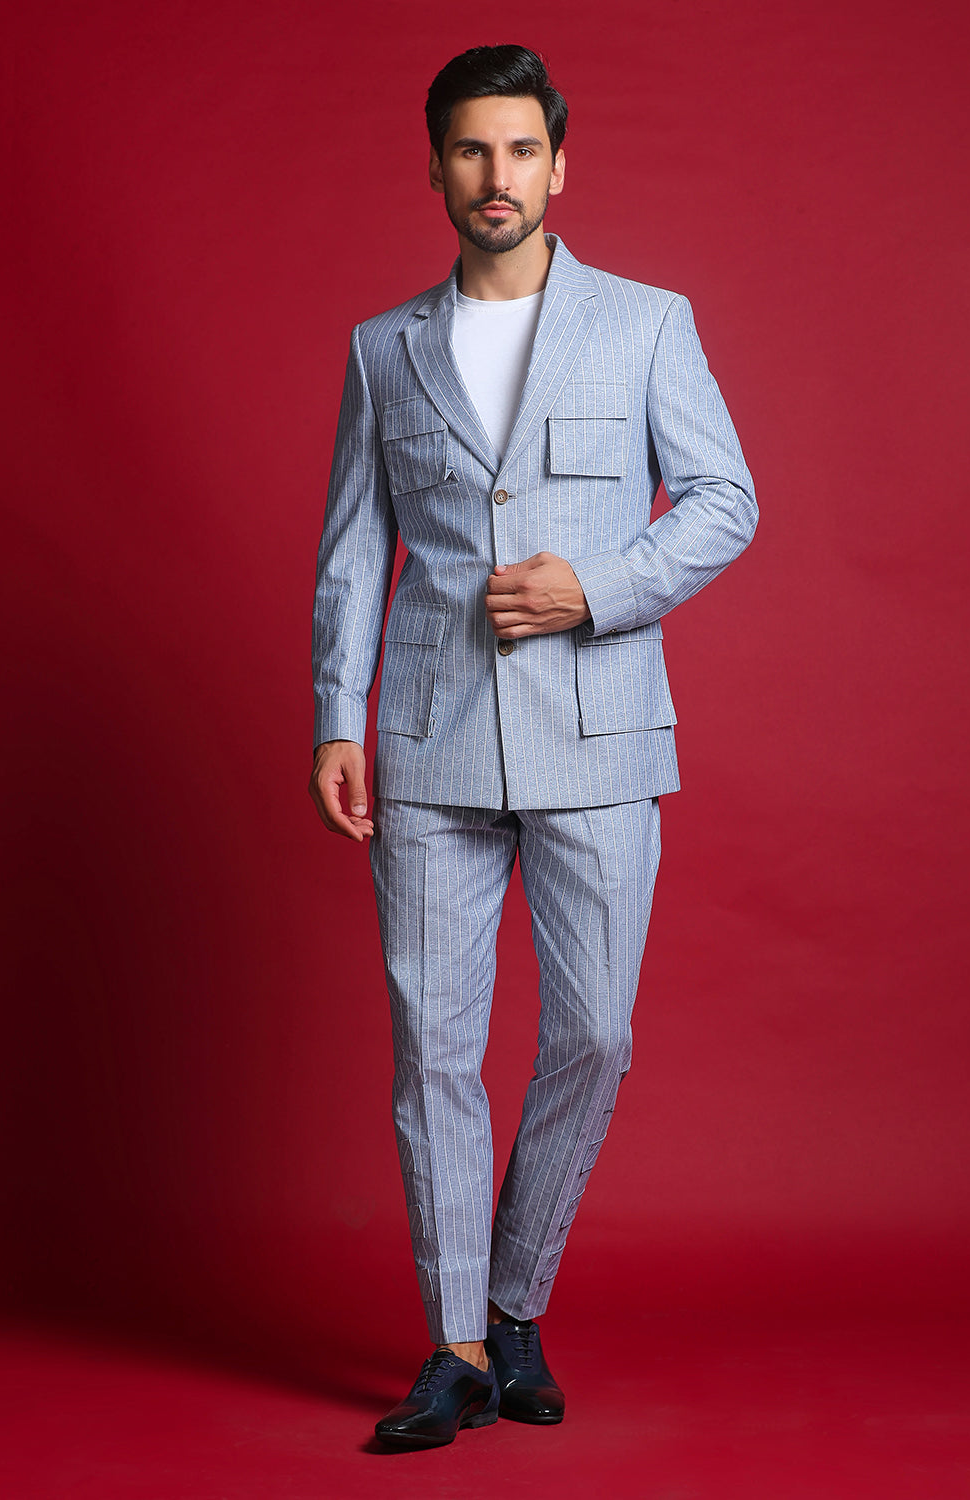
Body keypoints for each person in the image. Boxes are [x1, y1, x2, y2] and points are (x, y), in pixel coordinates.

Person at [309, 44, 757, 1450]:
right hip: (430, 742)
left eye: (519, 150)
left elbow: (726, 499)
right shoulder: (384, 348)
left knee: (596, 1036)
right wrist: (337, 715)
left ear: (559, 165)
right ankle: (454, 1348)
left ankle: (513, 1302)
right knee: (432, 1051)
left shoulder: (647, 324)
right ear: (439, 167)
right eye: (469, 150)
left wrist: (597, 588)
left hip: (598, 735)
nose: (495, 176)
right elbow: (354, 551)